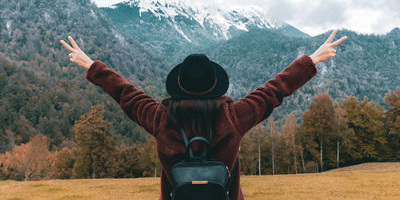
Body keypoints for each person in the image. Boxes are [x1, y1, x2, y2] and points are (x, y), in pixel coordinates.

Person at [60, 29, 347, 200]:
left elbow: (126, 94)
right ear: (215, 86)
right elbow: (273, 90)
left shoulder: (161, 118)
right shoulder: (233, 117)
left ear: (179, 86)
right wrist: (311, 60)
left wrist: (91, 66)